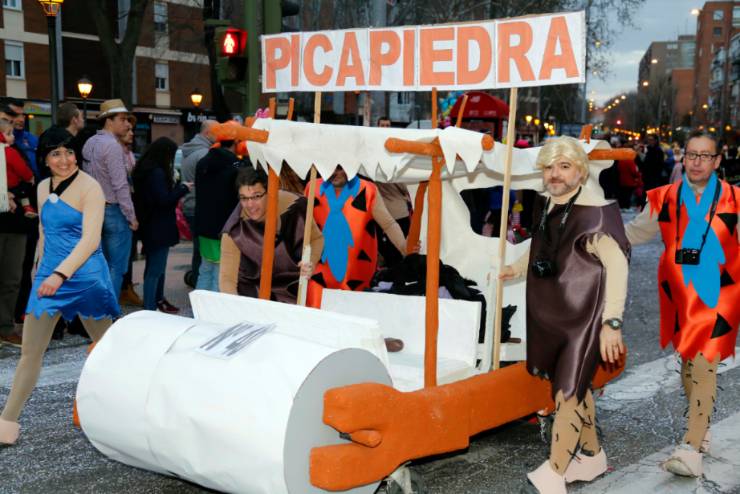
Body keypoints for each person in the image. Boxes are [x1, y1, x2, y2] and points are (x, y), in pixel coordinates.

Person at [500, 136, 630, 494]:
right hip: (552, 314)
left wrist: (612, 322)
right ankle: (593, 456)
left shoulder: (594, 213)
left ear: (581, 171)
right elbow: (543, 241)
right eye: (548, 167)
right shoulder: (549, 204)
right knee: (572, 384)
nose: (554, 174)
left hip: (585, 319)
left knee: (568, 392)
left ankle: (555, 472)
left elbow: (618, 266)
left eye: (564, 166)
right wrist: (516, 267)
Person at [624, 131, 739, 478]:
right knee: (689, 364)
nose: (697, 162)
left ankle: (690, 448)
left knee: (704, 362)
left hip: (721, 293)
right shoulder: (664, 197)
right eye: (692, 155)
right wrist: (591, 233)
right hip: (680, 297)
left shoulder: (735, 199)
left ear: (717, 161)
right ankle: (700, 429)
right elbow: (633, 233)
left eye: (705, 156)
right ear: (683, 158)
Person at [0, 127, 119, 446]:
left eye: (69, 152)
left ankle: (123, 408)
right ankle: (7, 422)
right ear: (45, 159)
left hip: (86, 277)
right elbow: (44, 232)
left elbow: (91, 240)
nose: (64, 159)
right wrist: (39, 269)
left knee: (107, 348)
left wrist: (59, 275)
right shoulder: (42, 187)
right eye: (56, 153)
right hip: (49, 276)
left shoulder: (90, 187)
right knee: (30, 352)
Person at [306, 165, 409, 308]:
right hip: (319, 270)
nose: (335, 173)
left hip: (356, 274)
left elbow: (388, 224)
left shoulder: (368, 190)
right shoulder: (312, 188)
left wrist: (405, 248)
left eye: (340, 168)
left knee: (350, 314)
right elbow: (303, 226)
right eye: (332, 167)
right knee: (315, 312)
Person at [220, 166, 323, 302]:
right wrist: (236, 306)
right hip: (251, 297)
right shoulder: (234, 230)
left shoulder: (295, 206)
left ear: (270, 192)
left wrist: (311, 261)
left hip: (290, 295)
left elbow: (317, 239)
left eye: (256, 196)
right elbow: (227, 279)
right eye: (244, 198)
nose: (250, 205)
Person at [82, 99, 137, 301]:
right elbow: (120, 185)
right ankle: (109, 310)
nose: (127, 124)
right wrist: (131, 216)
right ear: (109, 121)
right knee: (117, 266)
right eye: (122, 119)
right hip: (113, 210)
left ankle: (98, 308)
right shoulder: (112, 146)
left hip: (94, 210)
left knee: (101, 264)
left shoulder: (90, 143)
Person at [132, 137, 190, 312]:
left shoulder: (145, 169)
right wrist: (183, 189)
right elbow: (164, 200)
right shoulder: (156, 173)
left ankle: (158, 300)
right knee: (155, 270)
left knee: (156, 267)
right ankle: (150, 308)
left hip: (150, 223)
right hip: (159, 226)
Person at [194, 122, 242, 292]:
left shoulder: (203, 162)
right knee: (220, 273)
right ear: (235, 143)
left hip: (203, 225)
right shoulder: (234, 166)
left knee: (205, 269)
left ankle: (198, 305)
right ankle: (212, 307)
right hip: (224, 227)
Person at [0, 104, 29, 348]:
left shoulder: (15, 149)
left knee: (12, 279)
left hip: (15, 223)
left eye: (9, 121)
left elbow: (29, 179)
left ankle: (5, 328)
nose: (7, 126)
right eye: (4, 121)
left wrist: (12, 193)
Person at [180, 119, 217, 288]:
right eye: (217, 131)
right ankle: (199, 283)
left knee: (198, 249)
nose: (220, 135)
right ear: (208, 133)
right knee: (203, 252)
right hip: (199, 206)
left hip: (190, 203)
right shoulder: (204, 154)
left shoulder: (190, 150)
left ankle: (196, 279)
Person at [374, 116, 413, 269]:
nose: (385, 128)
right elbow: (402, 184)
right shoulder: (395, 154)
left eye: (387, 125)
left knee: (386, 250)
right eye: (383, 125)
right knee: (398, 250)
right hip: (397, 211)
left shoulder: (374, 153)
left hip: (382, 210)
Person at [1, 119, 36, 218]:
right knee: (25, 189)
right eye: (9, 134)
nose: (13, 136)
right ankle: (27, 208)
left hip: (3, 188)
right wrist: (30, 177)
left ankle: (10, 200)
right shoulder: (10, 151)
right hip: (13, 185)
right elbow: (22, 169)